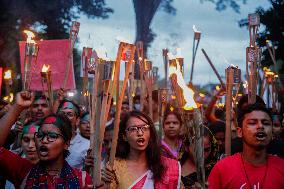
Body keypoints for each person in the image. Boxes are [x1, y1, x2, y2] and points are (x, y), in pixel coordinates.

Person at [0, 91, 93, 188]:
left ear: (66, 143)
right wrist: (17, 107)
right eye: (40, 135)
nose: (43, 140)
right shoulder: (23, 170)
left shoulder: (82, 179)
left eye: (52, 136)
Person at [208, 103, 284, 189]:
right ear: (240, 132)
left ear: (271, 131)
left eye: (266, 123)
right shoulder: (222, 169)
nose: (260, 126)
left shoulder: (282, 167)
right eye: (252, 123)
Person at [101, 111, 181, 188]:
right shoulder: (114, 167)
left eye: (144, 128)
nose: (140, 133)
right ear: (124, 136)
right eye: (133, 129)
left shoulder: (167, 166)